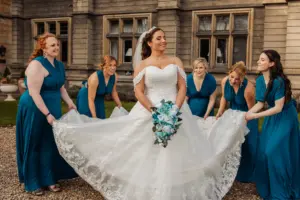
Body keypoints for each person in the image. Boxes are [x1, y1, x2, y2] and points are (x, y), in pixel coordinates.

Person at [52, 27, 249, 200]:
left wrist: (174, 109)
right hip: (149, 108)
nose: (164, 41)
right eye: (159, 38)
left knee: (180, 149)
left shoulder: (176, 60)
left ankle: (177, 188)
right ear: (149, 42)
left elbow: (182, 87)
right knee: (142, 147)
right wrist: (155, 111)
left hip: (177, 109)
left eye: (164, 37)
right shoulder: (143, 65)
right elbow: (138, 91)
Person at [15, 32, 77, 196]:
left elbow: (61, 88)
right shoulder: (37, 65)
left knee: (50, 142)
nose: (56, 47)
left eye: (57, 44)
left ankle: (48, 178)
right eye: (52, 45)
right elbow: (34, 93)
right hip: (35, 107)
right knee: (34, 142)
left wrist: (70, 103)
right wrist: (47, 114)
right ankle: (32, 181)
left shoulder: (60, 65)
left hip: (53, 106)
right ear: (43, 48)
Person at [245, 50, 300, 199]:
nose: (258, 62)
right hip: (271, 116)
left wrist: (255, 116)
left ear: (271, 63)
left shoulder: (279, 81)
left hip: (286, 117)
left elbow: (278, 107)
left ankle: (283, 189)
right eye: (259, 59)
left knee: (273, 150)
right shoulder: (259, 81)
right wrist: (248, 114)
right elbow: (260, 103)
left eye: (262, 60)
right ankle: (269, 187)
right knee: (264, 152)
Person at [216, 61, 259, 183]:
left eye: (237, 79)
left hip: (247, 116)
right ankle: (231, 170)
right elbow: (225, 97)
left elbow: (252, 109)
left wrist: (245, 120)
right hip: (233, 115)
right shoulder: (225, 81)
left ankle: (248, 174)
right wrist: (220, 111)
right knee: (229, 142)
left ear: (243, 78)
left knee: (248, 145)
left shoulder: (248, 89)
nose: (233, 81)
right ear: (229, 73)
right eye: (232, 77)